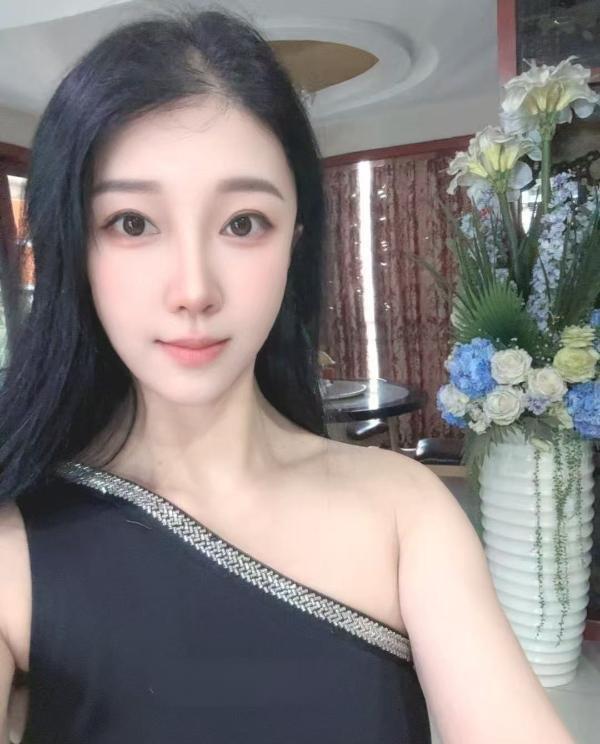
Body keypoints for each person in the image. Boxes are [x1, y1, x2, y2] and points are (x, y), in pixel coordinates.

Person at [0, 7, 575, 744]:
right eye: (133, 223)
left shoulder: (404, 511)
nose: (194, 289)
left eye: (243, 223)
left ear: (293, 245)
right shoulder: (17, 545)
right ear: (75, 246)